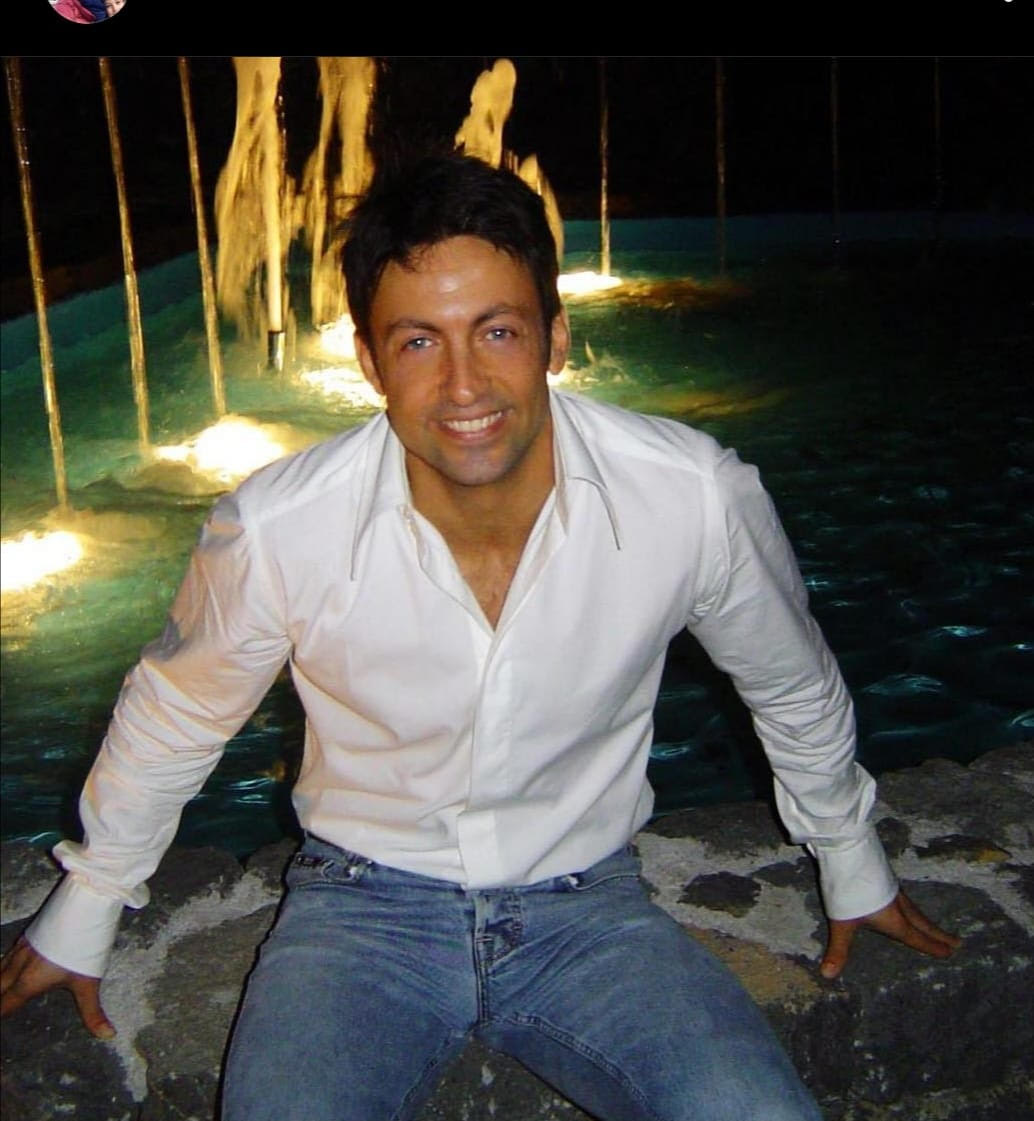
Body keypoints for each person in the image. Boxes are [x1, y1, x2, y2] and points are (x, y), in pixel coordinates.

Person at [0, 154, 959, 1120]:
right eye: (419, 342)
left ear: (556, 336)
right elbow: (179, 708)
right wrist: (91, 898)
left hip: (589, 908)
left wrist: (848, 853)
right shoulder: (280, 527)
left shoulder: (691, 496)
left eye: (497, 331)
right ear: (370, 362)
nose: (464, 385)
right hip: (358, 912)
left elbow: (788, 679)